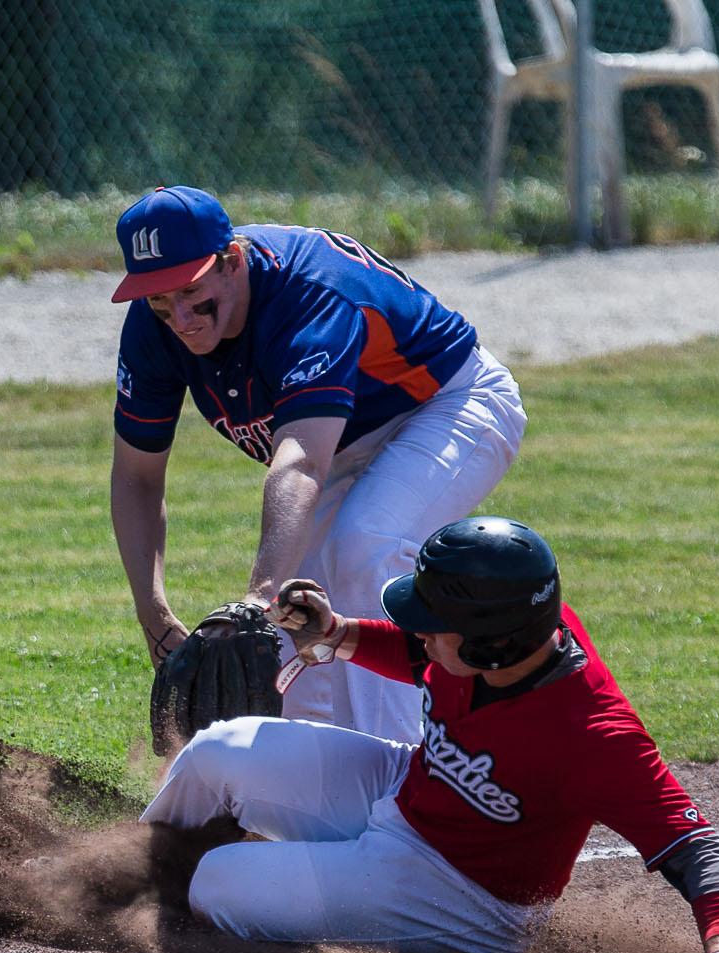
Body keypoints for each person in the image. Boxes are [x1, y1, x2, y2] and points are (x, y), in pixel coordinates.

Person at [140, 517, 719, 953]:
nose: (421, 630)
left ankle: (219, 891)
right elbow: (418, 652)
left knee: (218, 881)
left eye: (434, 621)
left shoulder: (594, 738)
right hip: (406, 789)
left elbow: (697, 851)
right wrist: (336, 634)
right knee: (216, 749)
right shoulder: (505, 639)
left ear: (492, 647)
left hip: (462, 895)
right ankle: (128, 875)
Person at [108, 185, 526, 744]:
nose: (179, 317)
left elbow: (301, 463)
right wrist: (153, 614)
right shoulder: (154, 325)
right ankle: (299, 799)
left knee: (361, 549)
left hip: (447, 403)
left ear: (233, 260)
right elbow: (136, 476)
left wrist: (255, 599)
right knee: (292, 615)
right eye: (159, 299)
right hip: (336, 441)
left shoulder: (308, 295)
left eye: (190, 291)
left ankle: (403, 781)